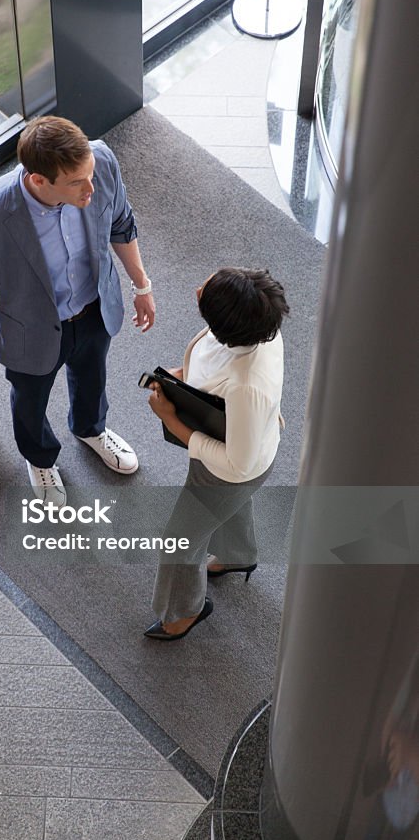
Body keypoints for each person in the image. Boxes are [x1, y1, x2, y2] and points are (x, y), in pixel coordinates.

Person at [0, 115, 155, 507]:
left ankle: (90, 429)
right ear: (38, 179)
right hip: (31, 330)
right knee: (30, 400)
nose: (91, 189)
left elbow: (121, 224)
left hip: (93, 308)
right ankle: (40, 458)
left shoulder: (101, 162)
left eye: (90, 175)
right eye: (77, 182)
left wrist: (141, 284)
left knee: (93, 376)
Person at [144, 267, 289, 640]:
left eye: (207, 290)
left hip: (230, 471)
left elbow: (236, 463)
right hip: (241, 441)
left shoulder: (246, 387)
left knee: (179, 540)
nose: (199, 285)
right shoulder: (257, 328)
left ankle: (182, 613)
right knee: (230, 507)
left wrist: (171, 419)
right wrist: (181, 380)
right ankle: (238, 555)